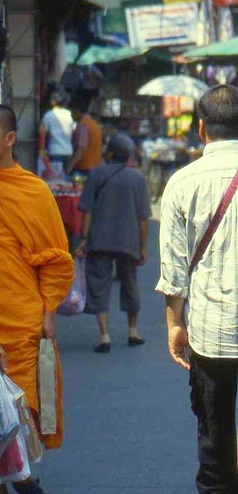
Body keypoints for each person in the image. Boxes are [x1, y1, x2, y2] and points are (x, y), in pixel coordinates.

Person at [0, 104, 74, 494]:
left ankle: (25, 479)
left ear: (10, 138)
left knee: (20, 404)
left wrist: (48, 311)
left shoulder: (34, 191)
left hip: (23, 314)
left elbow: (56, 258)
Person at [157, 84, 238, 494]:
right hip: (214, 325)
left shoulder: (183, 181)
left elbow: (173, 266)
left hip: (212, 328)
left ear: (201, 127)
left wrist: (174, 323)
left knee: (215, 424)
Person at [76, 132, 150, 353]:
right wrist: (143, 247)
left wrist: (83, 239)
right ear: (128, 156)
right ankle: (133, 331)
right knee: (130, 284)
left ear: (109, 153)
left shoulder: (96, 174)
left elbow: (87, 211)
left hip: (99, 240)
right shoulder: (137, 178)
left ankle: (104, 335)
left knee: (99, 285)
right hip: (129, 241)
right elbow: (143, 219)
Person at [38, 86, 74, 179]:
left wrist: (44, 160)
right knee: (65, 184)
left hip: (55, 155)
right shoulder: (69, 115)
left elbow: (42, 139)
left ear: (52, 101)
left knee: (55, 183)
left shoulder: (48, 116)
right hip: (68, 154)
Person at [68, 95, 102, 176]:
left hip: (84, 168)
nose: (71, 115)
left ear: (78, 111)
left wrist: (70, 166)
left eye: (72, 112)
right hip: (95, 165)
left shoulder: (83, 125)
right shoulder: (94, 123)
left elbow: (81, 148)